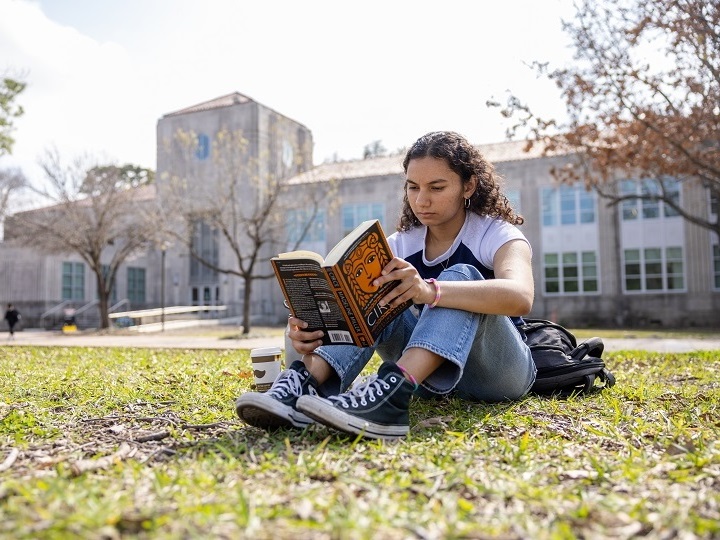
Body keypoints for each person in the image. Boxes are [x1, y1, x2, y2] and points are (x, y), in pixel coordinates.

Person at [236, 131, 536, 439]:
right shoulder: (399, 246)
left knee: (460, 276)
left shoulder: (497, 234)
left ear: (468, 185)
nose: (422, 200)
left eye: (437, 187)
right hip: (429, 383)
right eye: (413, 187)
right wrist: (315, 328)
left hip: (501, 374)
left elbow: (521, 296)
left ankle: (391, 399)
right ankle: (302, 384)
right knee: (364, 296)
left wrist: (430, 290)